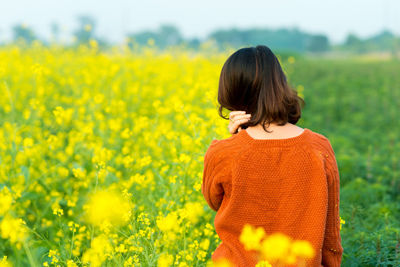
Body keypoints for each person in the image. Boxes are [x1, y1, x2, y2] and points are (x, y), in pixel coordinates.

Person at [201, 45, 343, 267]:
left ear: (230, 90)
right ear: (280, 85)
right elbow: (331, 231)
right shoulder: (319, 148)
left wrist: (234, 141)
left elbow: (214, 201)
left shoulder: (223, 153)